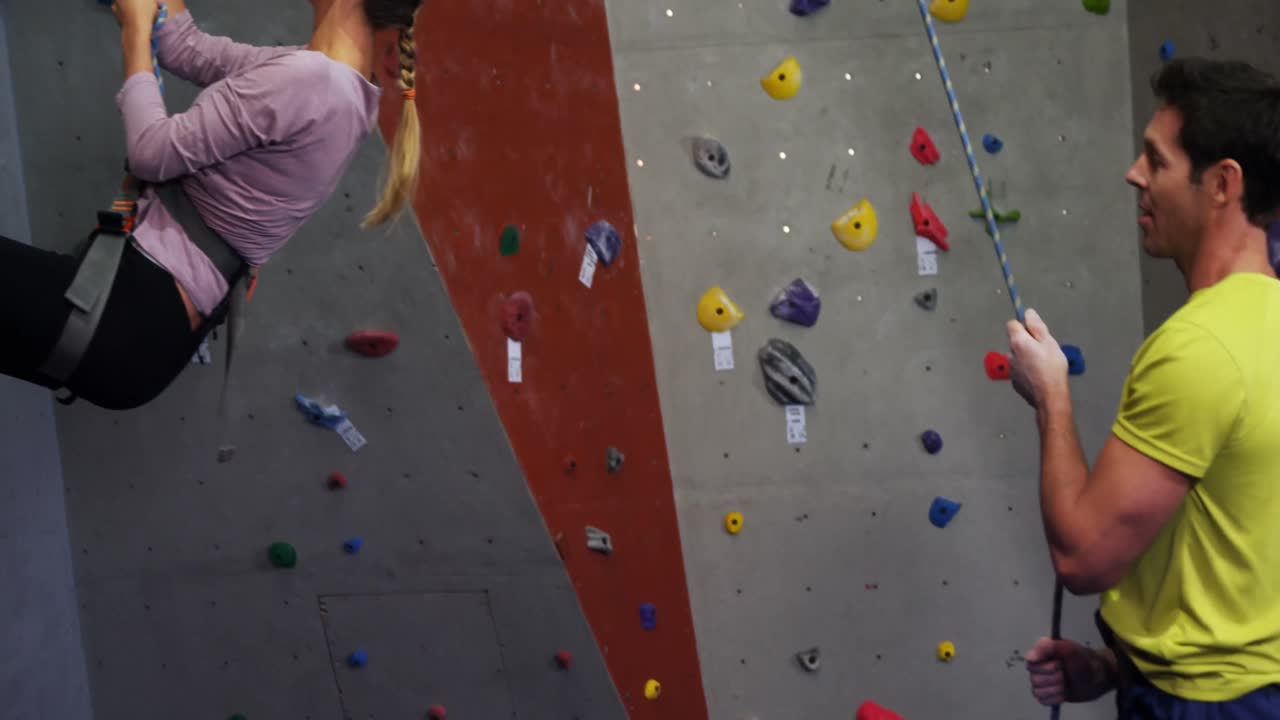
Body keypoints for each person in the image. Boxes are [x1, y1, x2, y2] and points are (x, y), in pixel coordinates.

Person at [1007, 57, 1280, 717]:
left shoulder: (1199, 348)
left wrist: (1052, 398)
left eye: (1155, 161)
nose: (1134, 174)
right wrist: (1112, 668)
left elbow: (1082, 558)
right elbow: (1232, 546)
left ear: (1221, 184)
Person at [0, 0, 422, 410]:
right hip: (140, 332)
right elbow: (187, 49)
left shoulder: (310, 81)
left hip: (127, 312)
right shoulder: (337, 85)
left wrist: (135, 32)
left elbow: (151, 151)